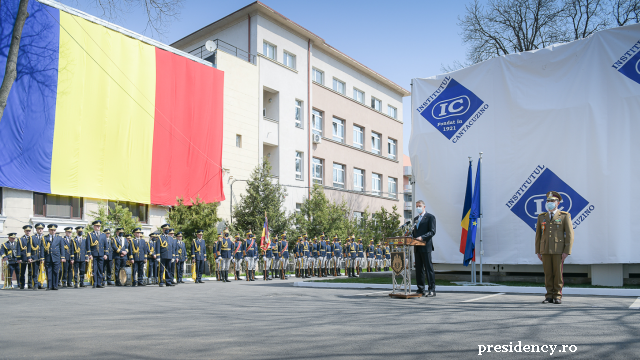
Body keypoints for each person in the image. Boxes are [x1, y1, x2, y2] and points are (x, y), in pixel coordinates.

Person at [535, 191, 574, 304]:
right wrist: (538, 250)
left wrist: (566, 251)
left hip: (558, 250)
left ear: (557, 203)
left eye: (552, 201)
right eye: (548, 201)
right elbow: (538, 235)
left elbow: (570, 235)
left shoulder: (564, 216)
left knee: (557, 274)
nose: (549, 203)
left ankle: (557, 295)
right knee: (548, 273)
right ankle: (549, 296)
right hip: (545, 249)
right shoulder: (542, 217)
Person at [412, 200, 436, 297]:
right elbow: (414, 232)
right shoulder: (415, 219)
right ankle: (420, 289)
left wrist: (422, 237)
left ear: (424, 206)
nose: (418, 207)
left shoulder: (430, 217)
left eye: (420, 206)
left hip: (426, 246)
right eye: (417, 206)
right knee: (419, 269)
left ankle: (432, 290)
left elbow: (432, 231)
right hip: (417, 247)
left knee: (428, 268)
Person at [43, 224, 65, 290]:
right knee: (49, 271)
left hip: (56, 257)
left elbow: (62, 248)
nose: (53, 231)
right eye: (51, 230)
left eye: (54, 230)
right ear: (49, 230)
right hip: (48, 257)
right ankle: (49, 286)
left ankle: (55, 285)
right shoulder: (45, 238)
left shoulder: (59, 238)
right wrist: (42, 258)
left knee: (56, 272)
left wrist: (63, 257)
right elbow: (42, 248)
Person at [29, 223, 45, 290]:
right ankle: (35, 284)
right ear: (36, 229)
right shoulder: (32, 237)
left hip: (43, 258)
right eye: (39, 229)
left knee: (41, 271)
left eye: (41, 229)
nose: (40, 230)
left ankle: (40, 284)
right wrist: (29, 257)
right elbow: (29, 248)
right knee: (35, 272)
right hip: (35, 257)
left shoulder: (45, 237)